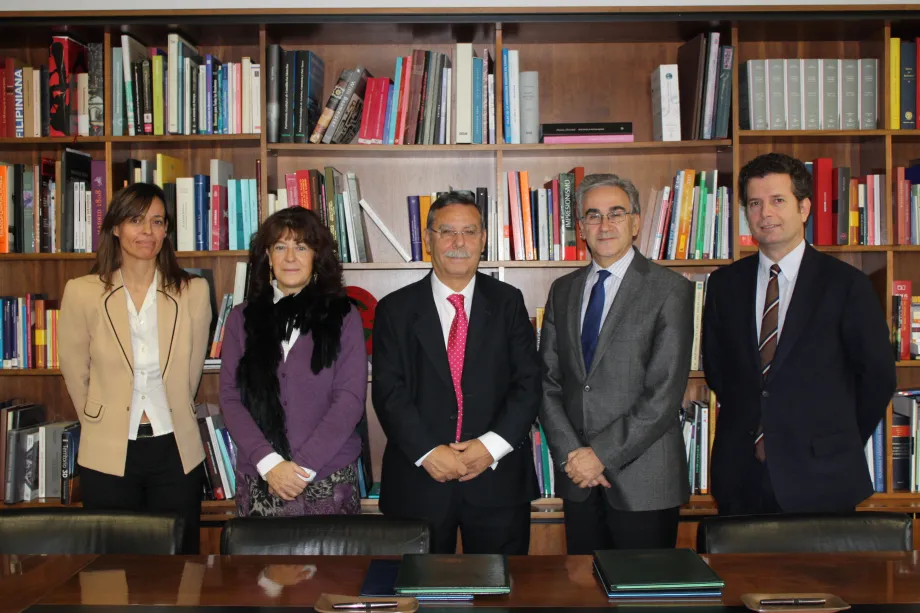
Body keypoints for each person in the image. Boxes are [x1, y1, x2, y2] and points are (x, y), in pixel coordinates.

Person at [703, 152, 896, 515]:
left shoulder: (846, 285)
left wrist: (837, 440)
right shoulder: (724, 284)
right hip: (741, 474)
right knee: (742, 574)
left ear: (804, 208)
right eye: (755, 203)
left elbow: (878, 376)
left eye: (778, 200)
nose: (765, 214)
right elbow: (718, 370)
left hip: (822, 475)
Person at [372, 191, 541, 554]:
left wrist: (490, 447)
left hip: (498, 479)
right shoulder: (395, 309)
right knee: (419, 594)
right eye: (446, 231)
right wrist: (428, 452)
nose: (458, 242)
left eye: (469, 231)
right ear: (429, 239)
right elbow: (389, 391)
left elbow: (527, 384)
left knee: (503, 593)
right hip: (419, 481)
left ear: (483, 239)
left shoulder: (509, 302)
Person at [538, 173, 693, 552]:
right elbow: (547, 382)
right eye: (592, 215)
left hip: (644, 481)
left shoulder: (670, 290)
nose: (604, 225)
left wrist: (601, 456)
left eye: (616, 213)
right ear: (581, 229)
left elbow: (663, 395)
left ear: (636, 223)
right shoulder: (563, 290)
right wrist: (575, 457)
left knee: (643, 598)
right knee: (583, 595)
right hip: (579, 481)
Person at [58, 183, 211, 554]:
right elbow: (74, 369)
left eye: (157, 222)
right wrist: (98, 417)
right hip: (108, 447)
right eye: (136, 220)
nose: (147, 231)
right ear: (115, 228)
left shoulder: (193, 291)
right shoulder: (82, 291)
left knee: (180, 569)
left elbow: (192, 371)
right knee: (111, 570)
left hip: (175, 447)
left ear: (166, 231)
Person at [219, 207, 368, 516]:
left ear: (316, 256)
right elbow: (231, 399)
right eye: (280, 246)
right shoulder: (240, 319)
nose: (290, 257)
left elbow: (350, 400)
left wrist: (302, 468)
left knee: (335, 566)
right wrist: (270, 464)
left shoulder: (345, 316)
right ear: (267, 258)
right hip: (261, 476)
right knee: (263, 566)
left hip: (330, 475)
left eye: (301, 246)